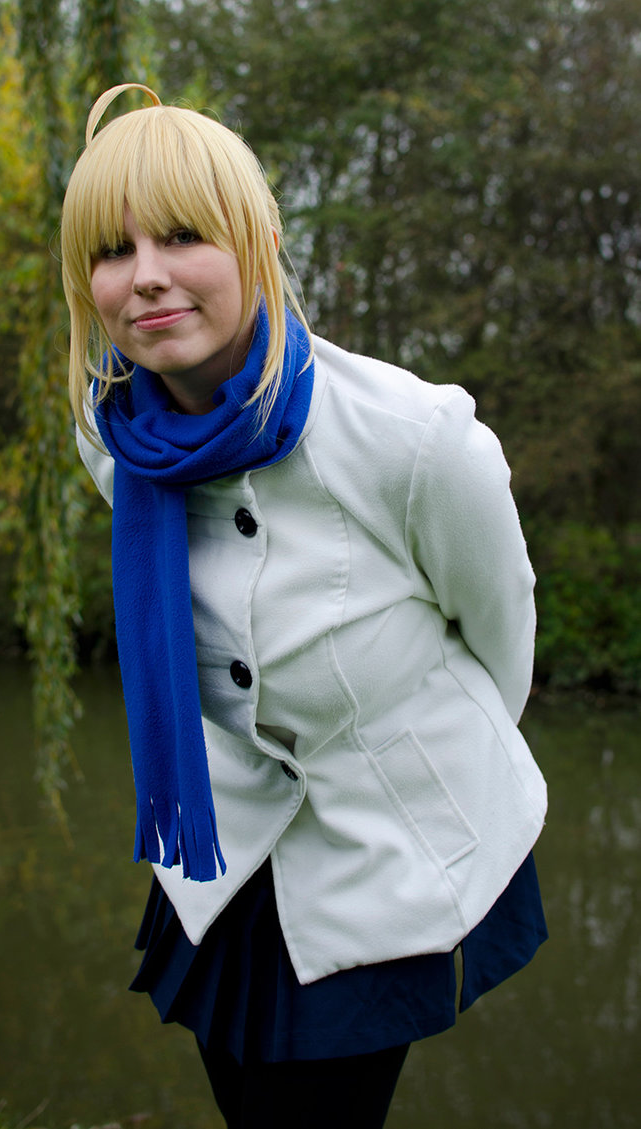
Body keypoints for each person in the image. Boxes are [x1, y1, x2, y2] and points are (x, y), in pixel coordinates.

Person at [61, 82, 548, 1129]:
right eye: (111, 249)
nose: (145, 275)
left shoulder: (415, 439)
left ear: (260, 240)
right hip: (222, 853)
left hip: (383, 853)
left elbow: (500, 638)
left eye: (182, 236)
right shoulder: (113, 440)